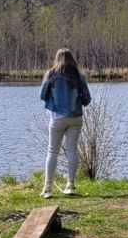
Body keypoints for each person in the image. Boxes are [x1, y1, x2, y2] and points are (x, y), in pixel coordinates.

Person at [39, 48, 91, 197]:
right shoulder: (79, 76)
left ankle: (47, 188)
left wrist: (53, 101)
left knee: (52, 151)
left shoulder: (51, 74)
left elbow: (42, 95)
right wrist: (77, 100)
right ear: (72, 59)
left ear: (57, 59)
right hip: (76, 117)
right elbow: (87, 100)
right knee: (72, 150)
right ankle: (70, 185)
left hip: (57, 118)